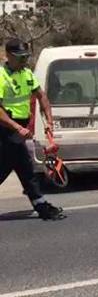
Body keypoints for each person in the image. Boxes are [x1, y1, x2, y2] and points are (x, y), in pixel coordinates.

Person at [0, 39, 64, 220]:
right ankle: (41, 205)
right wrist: (17, 127)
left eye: (26, 57)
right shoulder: (1, 76)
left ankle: (41, 205)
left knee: (22, 167)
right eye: (20, 58)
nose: (24, 61)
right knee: (16, 167)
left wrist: (48, 121)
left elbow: (41, 96)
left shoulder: (27, 74)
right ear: (9, 56)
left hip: (18, 130)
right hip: (6, 128)